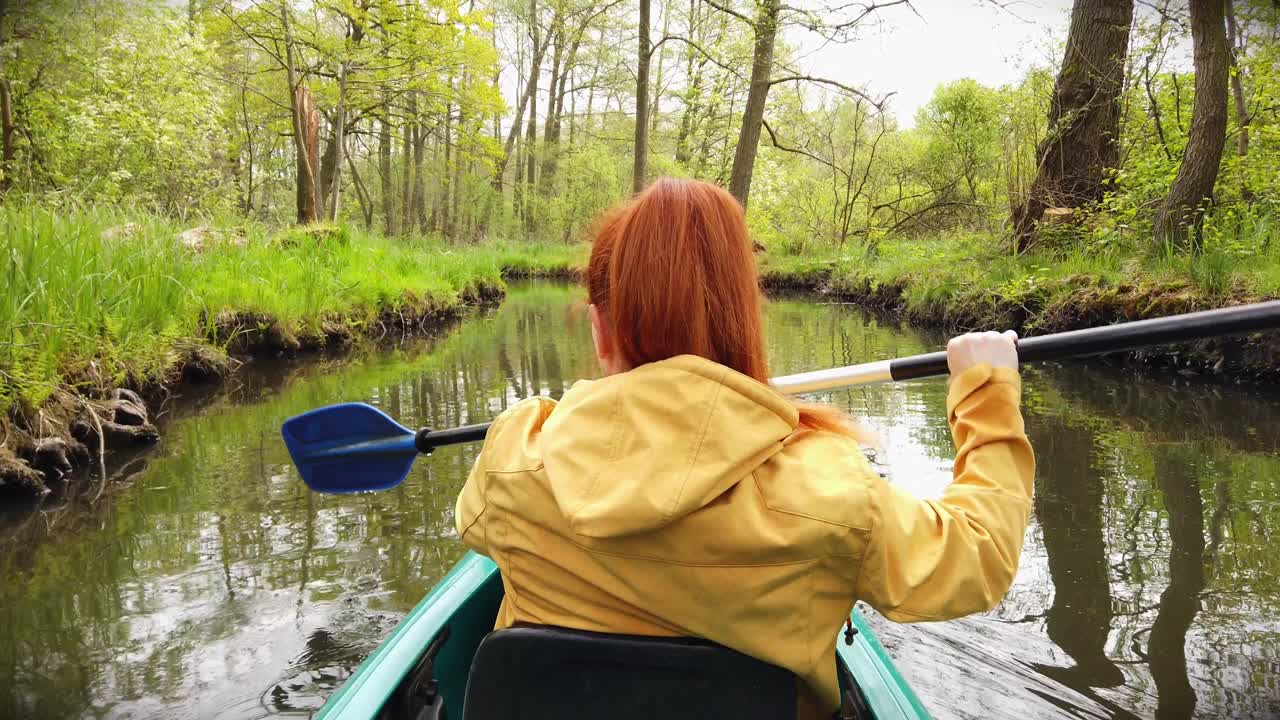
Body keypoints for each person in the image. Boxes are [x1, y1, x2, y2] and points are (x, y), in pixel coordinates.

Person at [455, 178, 1034, 718]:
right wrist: (987, 393)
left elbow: (473, 525)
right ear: (743, 323)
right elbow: (978, 559)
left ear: (599, 331)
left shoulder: (514, 451)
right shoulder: (829, 490)